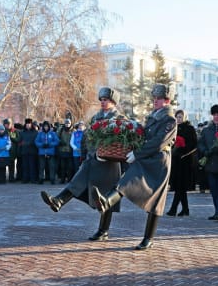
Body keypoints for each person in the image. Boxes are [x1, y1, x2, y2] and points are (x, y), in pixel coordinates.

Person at [91, 83, 177, 250]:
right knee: (126, 182)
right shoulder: (154, 116)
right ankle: (106, 202)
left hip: (158, 162)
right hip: (145, 159)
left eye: (158, 99)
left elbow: (158, 142)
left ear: (167, 100)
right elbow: (143, 136)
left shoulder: (170, 120)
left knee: (155, 201)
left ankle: (148, 238)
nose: (155, 101)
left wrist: (137, 154)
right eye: (155, 98)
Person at [41, 87, 124, 242]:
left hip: (109, 162)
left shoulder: (119, 118)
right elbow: (88, 137)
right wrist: (86, 152)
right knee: (77, 181)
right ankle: (59, 201)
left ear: (113, 102)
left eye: (106, 100)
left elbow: (122, 139)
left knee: (105, 196)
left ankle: (103, 230)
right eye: (101, 100)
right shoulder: (96, 117)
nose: (103, 102)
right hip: (92, 159)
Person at [166, 109, 197, 216]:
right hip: (175, 161)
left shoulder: (190, 128)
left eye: (180, 117)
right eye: (177, 116)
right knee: (180, 187)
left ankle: (173, 209)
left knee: (180, 186)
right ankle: (185, 209)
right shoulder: (174, 128)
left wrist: (183, 150)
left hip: (185, 161)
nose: (178, 119)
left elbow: (193, 144)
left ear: (185, 117)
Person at [19, 118, 39, 184]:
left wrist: (30, 143)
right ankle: (25, 179)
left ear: (31, 125)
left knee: (32, 166)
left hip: (32, 151)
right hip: (24, 151)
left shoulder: (35, 132)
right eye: (27, 124)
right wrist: (22, 145)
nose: (28, 125)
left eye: (29, 124)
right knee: (25, 166)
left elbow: (36, 141)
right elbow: (19, 141)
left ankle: (33, 179)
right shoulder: (22, 132)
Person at [57, 118, 73, 184]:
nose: (67, 124)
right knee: (62, 167)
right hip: (62, 151)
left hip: (70, 151)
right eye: (66, 123)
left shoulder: (73, 131)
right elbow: (56, 138)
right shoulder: (61, 130)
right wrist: (60, 142)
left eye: (68, 123)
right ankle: (62, 179)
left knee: (69, 167)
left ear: (70, 124)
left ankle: (69, 179)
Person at [3, 118, 20, 182]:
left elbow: (18, 139)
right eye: (6, 124)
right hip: (4, 151)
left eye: (8, 124)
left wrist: (11, 138)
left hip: (12, 151)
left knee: (11, 166)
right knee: (3, 165)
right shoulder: (3, 131)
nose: (7, 125)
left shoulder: (14, 131)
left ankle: (11, 178)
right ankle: (3, 177)